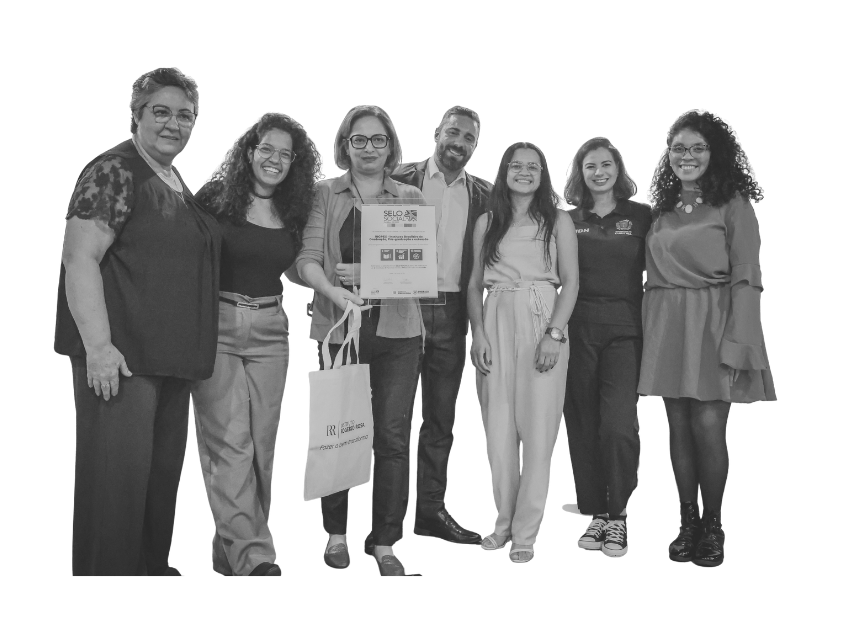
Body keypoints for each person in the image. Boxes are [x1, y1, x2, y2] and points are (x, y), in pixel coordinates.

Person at [55, 68, 220, 575]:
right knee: (116, 489)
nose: (174, 124)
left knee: (156, 486)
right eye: (161, 112)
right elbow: (80, 258)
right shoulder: (114, 170)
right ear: (136, 115)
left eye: (185, 115)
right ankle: (107, 595)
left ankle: (148, 578)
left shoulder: (171, 177)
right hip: (122, 364)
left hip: (168, 363)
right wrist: (99, 348)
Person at [640, 110, 776, 567]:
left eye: (697, 148)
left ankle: (713, 525)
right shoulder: (661, 207)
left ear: (715, 153)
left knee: (708, 427)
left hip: (715, 322)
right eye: (678, 148)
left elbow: (748, 276)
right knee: (678, 427)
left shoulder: (734, 204)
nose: (687, 156)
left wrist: (742, 339)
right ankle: (688, 523)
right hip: (667, 324)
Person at [296, 105, 425, 576]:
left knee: (392, 438)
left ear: (391, 146)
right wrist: (335, 291)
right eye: (359, 139)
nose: (369, 148)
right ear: (345, 145)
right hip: (339, 327)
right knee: (339, 431)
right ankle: (336, 534)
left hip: (399, 332)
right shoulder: (324, 194)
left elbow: (418, 268)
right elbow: (308, 259)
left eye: (378, 139)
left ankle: (385, 540)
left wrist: (367, 272)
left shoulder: (410, 197)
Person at [191, 113, 321, 576]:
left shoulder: (293, 208)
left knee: (262, 447)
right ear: (250, 152)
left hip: (270, 328)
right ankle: (255, 557)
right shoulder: (216, 198)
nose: (275, 160)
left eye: (286, 154)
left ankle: (230, 548)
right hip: (218, 325)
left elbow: (292, 266)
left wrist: (332, 283)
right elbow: (186, 255)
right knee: (231, 444)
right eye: (267, 149)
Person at [467, 143, 579, 563]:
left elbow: (571, 281)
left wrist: (554, 334)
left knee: (537, 434)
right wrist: (478, 334)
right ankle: (503, 523)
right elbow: (473, 284)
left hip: (541, 316)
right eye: (517, 165)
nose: (525, 172)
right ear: (504, 171)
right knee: (498, 435)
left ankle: (525, 533)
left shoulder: (558, 221)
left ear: (543, 174)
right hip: (495, 315)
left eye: (533, 166)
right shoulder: (487, 222)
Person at [390, 106, 491, 545]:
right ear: (436, 133)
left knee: (440, 420)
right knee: (392, 422)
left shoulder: (486, 195)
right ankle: (387, 520)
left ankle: (430, 512)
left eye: (469, 138)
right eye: (453, 132)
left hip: (452, 313)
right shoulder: (398, 177)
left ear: (475, 146)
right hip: (400, 306)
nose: (459, 142)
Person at [560, 138, 651, 558]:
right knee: (583, 423)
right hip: (576, 330)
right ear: (580, 173)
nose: (599, 172)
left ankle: (618, 514)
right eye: (590, 166)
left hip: (625, 331)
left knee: (617, 425)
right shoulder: (567, 220)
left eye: (606, 164)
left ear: (618, 168)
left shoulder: (642, 216)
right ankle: (596, 511)